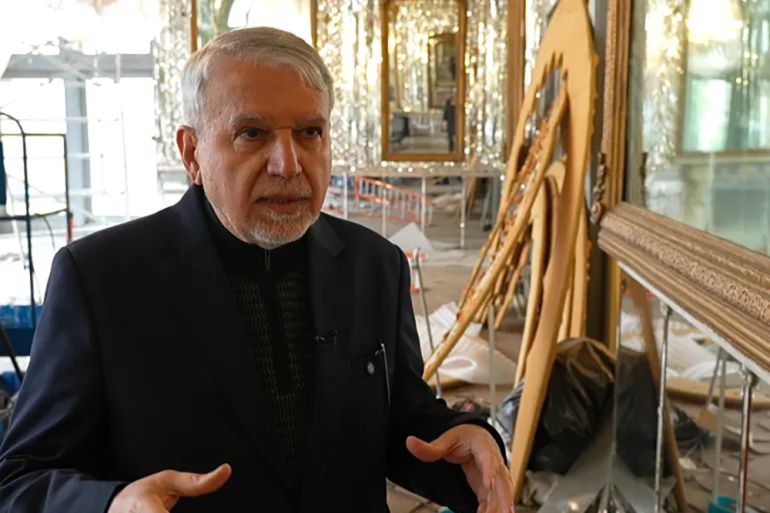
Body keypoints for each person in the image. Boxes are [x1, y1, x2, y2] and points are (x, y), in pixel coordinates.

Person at [0, 27, 512, 513]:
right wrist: (112, 502)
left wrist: (467, 444)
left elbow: (403, 422)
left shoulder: (374, 265)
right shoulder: (102, 280)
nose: (288, 164)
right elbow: (22, 479)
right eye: (252, 133)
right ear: (192, 153)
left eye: (310, 132)